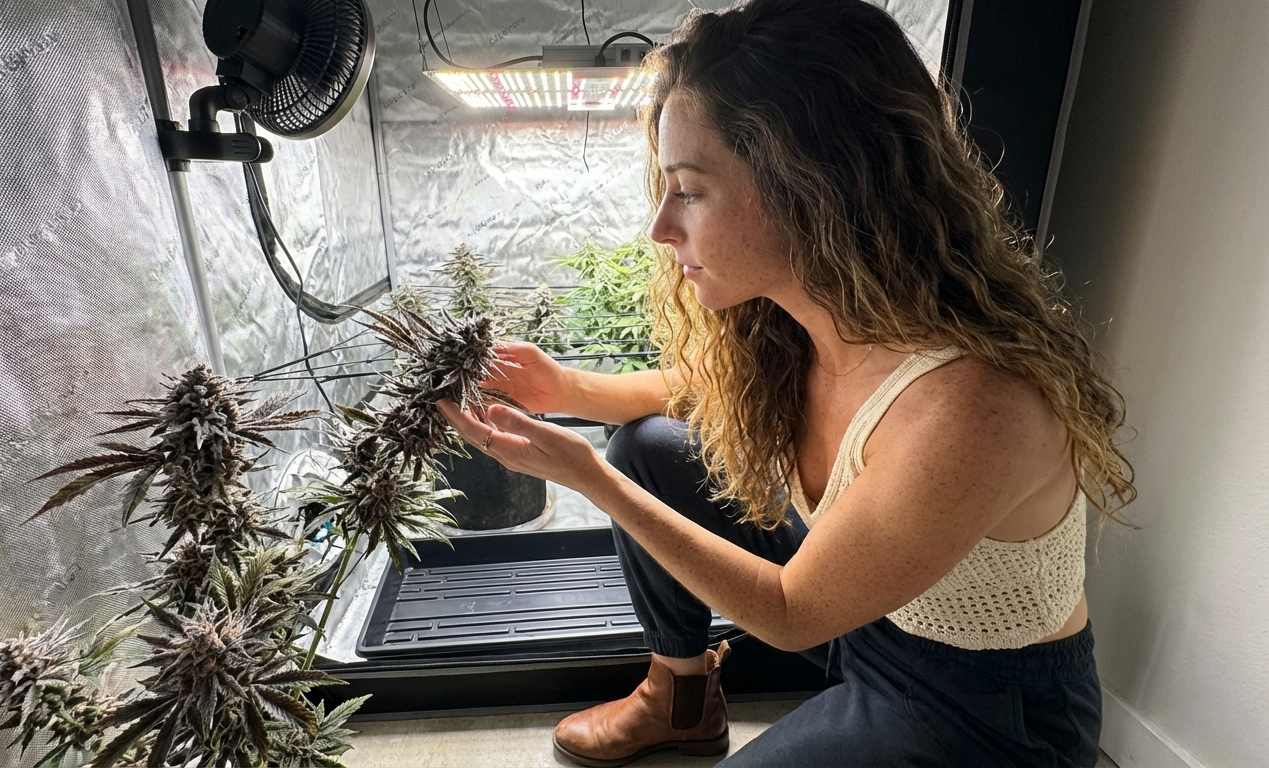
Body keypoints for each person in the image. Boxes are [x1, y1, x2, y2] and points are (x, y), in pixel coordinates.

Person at [438, 0, 1133, 764]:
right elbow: (685, 387)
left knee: (622, 468)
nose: (662, 228)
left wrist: (585, 478)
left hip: (980, 707)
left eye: (691, 189)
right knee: (650, 446)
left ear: (812, 185)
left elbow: (792, 613)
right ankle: (679, 699)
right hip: (864, 618)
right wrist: (562, 387)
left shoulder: (974, 406)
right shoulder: (817, 317)